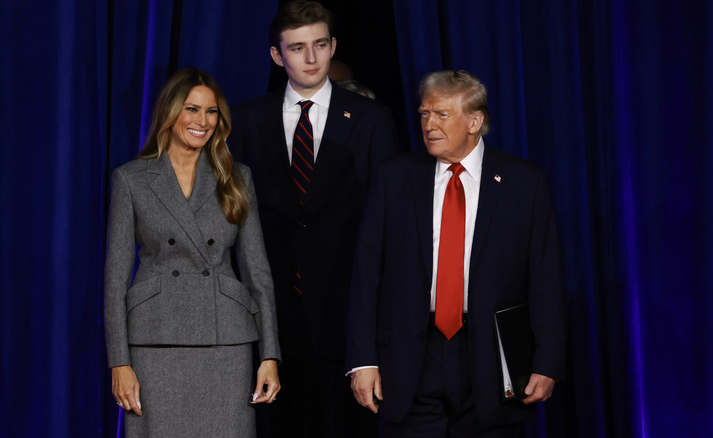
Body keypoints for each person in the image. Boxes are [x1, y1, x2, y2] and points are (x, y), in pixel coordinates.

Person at [346, 70, 567, 437]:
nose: (429, 124)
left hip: (490, 360)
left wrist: (547, 362)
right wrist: (362, 360)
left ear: (475, 121)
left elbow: (546, 278)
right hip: (411, 357)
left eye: (442, 114)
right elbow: (366, 274)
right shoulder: (394, 178)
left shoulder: (524, 183)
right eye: (423, 114)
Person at [228, 1, 400, 436]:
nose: (310, 58)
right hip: (270, 322)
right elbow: (234, 221)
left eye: (320, 45)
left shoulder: (371, 120)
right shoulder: (247, 120)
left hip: (347, 322)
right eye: (298, 47)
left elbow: (389, 226)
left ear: (333, 46)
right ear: (276, 55)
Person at [104, 68, 281, 437]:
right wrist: (119, 362)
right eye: (192, 109)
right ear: (171, 113)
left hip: (226, 341)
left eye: (211, 112)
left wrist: (269, 355)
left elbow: (258, 273)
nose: (203, 121)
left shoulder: (237, 177)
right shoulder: (131, 179)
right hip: (155, 340)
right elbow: (115, 280)